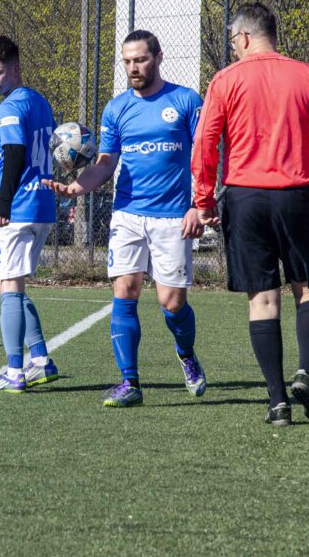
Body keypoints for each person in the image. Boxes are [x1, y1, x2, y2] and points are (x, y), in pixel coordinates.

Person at [191, 2, 309, 426]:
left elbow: (205, 143)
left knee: (263, 299)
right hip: (296, 196)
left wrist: (203, 198)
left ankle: (277, 402)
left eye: (233, 40)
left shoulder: (225, 80)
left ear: (245, 37)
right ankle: (305, 371)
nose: (233, 47)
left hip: (245, 199)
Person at [44, 30, 207, 407]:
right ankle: (129, 382)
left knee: (172, 303)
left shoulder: (186, 101)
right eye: (128, 61)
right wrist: (75, 188)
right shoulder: (116, 109)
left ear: (158, 58)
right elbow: (105, 165)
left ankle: (186, 355)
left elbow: (204, 157)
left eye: (141, 60)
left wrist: (199, 204)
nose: (134, 67)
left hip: (173, 217)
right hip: (128, 214)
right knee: (125, 290)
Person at [0, 36, 60, 393]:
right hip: (42, 205)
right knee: (9, 285)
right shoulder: (39, 101)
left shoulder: (11, 105)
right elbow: (29, 152)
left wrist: (3, 201)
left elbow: (15, 152)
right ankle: (41, 360)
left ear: (15, 68)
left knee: (9, 289)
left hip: (20, 207)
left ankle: (15, 371)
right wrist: (2, 163)